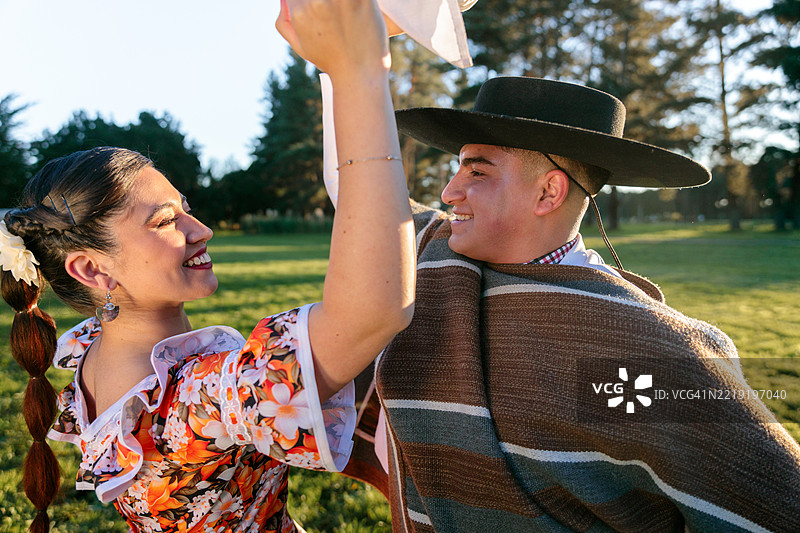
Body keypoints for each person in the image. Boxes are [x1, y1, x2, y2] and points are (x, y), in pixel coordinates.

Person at [0, 0, 415, 531]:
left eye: (187, 210)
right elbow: (372, 311)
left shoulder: (88, 357)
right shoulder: (197, 402)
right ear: (92, 270)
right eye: (165, 221)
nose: (201, 231)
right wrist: (360, 74)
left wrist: (340, 63)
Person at [341, 76, 800, 532]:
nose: (449, 192)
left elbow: (773, 507)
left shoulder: (655, 350)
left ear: (548, 193)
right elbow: (353, 188)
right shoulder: (433, 253)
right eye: (457, 168)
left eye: (476, 171)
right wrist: (349, 61)